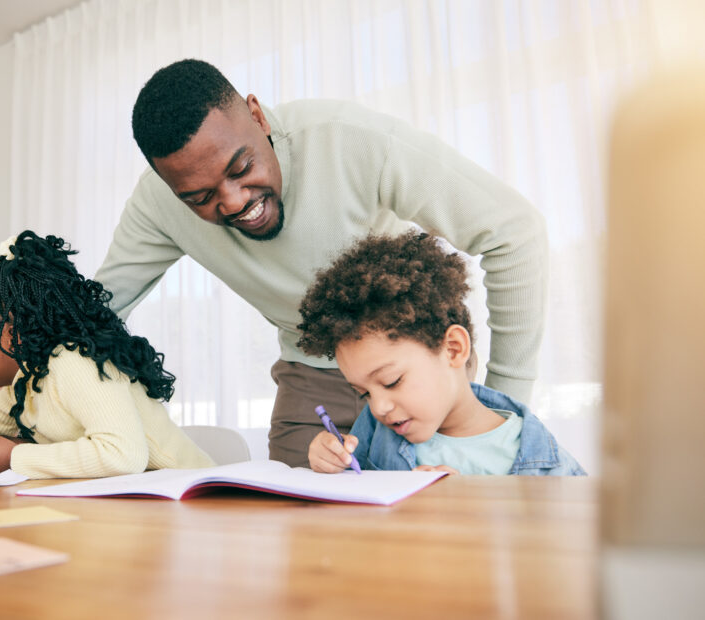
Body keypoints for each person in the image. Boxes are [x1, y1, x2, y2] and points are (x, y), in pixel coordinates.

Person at [95, 58, 548, 467]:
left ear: (258, 116)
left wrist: (502, 404)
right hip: (311, 375)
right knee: (300, 527)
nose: (234, 202)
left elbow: (513, 232)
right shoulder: (157, 204)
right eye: (201, 197)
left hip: (410, 361)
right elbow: (92, 313)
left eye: (240, 168)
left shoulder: (350, 139)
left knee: (442, 528)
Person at [0, 230, 214, 479]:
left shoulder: (72, 361)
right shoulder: (32, 378)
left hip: (200, 501)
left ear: (12, 332)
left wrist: (15, 456)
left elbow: (122, 455)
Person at [298, 232, 584, 476]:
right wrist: (329, 465)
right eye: (365, 394)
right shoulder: (373, 430)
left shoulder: (551, 468)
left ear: (453, 349)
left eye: (391, 381)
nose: (378, 408)